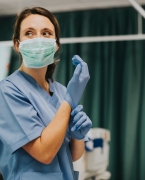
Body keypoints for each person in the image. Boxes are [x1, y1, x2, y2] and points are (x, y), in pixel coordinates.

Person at [0, 7, 92, 180]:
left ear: (56, 44)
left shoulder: (61, 91)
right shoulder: (6, 91)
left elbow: (70, 156)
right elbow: (44, 153)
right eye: (29, 33)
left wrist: (77, 136)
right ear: (17, 44)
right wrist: (69, 101)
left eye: (46, 33)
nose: (38, 39)